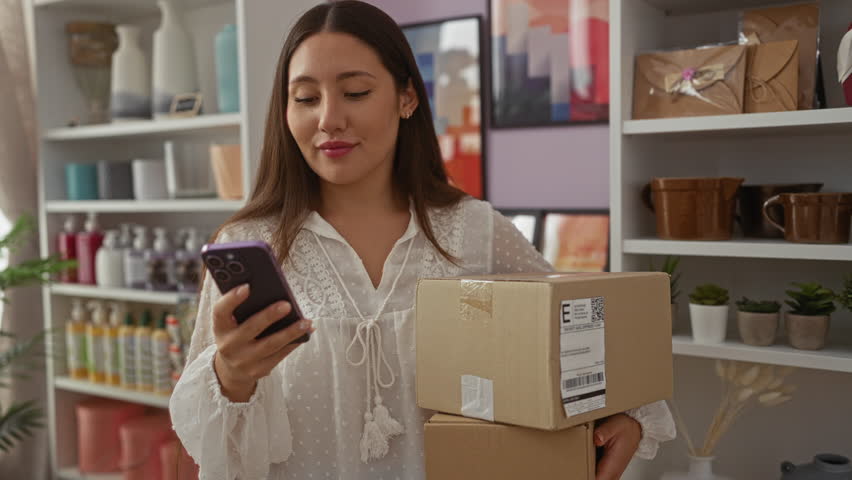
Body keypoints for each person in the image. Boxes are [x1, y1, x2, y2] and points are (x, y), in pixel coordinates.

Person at [169, 2, 675, 479]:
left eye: (355, 92)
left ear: (406, 97)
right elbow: (212, 447)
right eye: (305, 98)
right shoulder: (251, 243)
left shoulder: (472, 230)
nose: (328, 119)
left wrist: (630, 415)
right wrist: (231, 377)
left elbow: (576, 329)